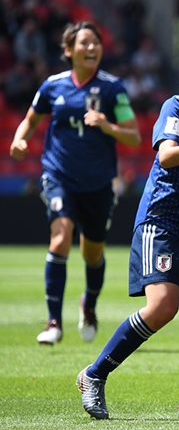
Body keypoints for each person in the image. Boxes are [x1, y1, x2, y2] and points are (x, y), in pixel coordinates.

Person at [75, 39, 179, 420]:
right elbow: (166, 155)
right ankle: (93, 375)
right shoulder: (178, 106)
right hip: (163, 220)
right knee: (161, 307)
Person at [9, 21, 141, 345]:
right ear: (69, 50)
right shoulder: (52, 86)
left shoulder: (113, 88)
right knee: (60, 238)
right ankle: (54, 321)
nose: (92, 48)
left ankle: (89, 306)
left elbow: (135, 136)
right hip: (59, 176)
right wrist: (19, 140)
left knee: (92, 254)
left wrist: (107, 125)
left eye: (96, 43)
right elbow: (30, 120)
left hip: (98, 183)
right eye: (84, 43)